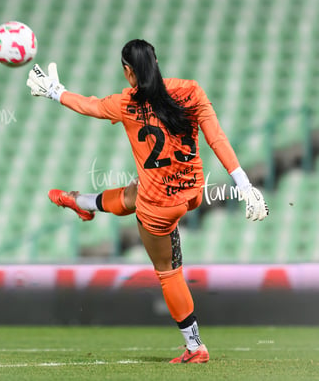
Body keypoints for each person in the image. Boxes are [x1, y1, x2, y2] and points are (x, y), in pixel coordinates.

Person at [26, 39, 269, 364]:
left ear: (129, 72)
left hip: (158, 207)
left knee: (168, 273)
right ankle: (82, 202)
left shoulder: (126, 103)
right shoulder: (190, 91)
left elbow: (90, 106)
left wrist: (56, 92)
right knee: (132, 192)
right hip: (193, 191)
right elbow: (216, 137)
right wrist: (244, 185)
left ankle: (195, 347)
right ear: (156, 62)